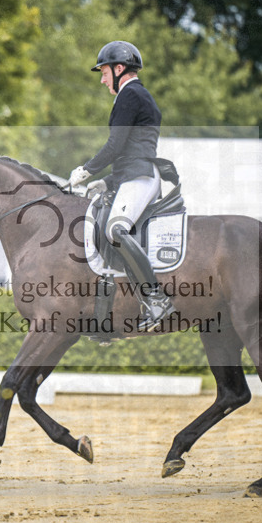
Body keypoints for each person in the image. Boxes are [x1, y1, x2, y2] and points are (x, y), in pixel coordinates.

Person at [67, 40, 174, 332]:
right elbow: (131, 149)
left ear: (119, 69)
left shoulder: (131, 95)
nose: (102, 79)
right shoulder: (133, 96)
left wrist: (86, 170)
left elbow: (115, 145)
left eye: (103, 72)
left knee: (116, 230)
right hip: (133, 173)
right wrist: (107, 181)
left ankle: (156, 300)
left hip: (142, 177)